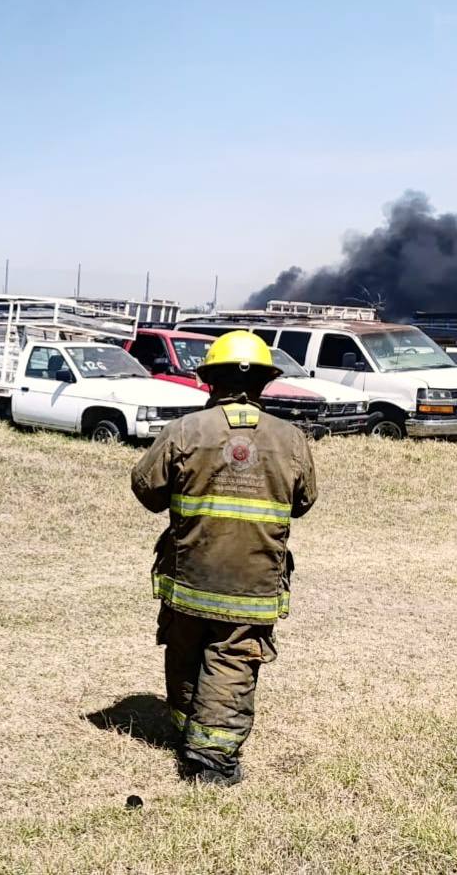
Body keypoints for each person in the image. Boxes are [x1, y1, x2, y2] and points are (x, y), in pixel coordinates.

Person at [130, 330, 317, 786]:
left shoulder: (184, 431)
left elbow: (146, 489)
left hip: (188, 577)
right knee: (232, 658)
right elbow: (304, 501)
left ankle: (189, 733)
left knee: (186, 650)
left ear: (209, 380)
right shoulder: (290, 439)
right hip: (251, 584)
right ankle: (210, 761)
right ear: (265, 384)